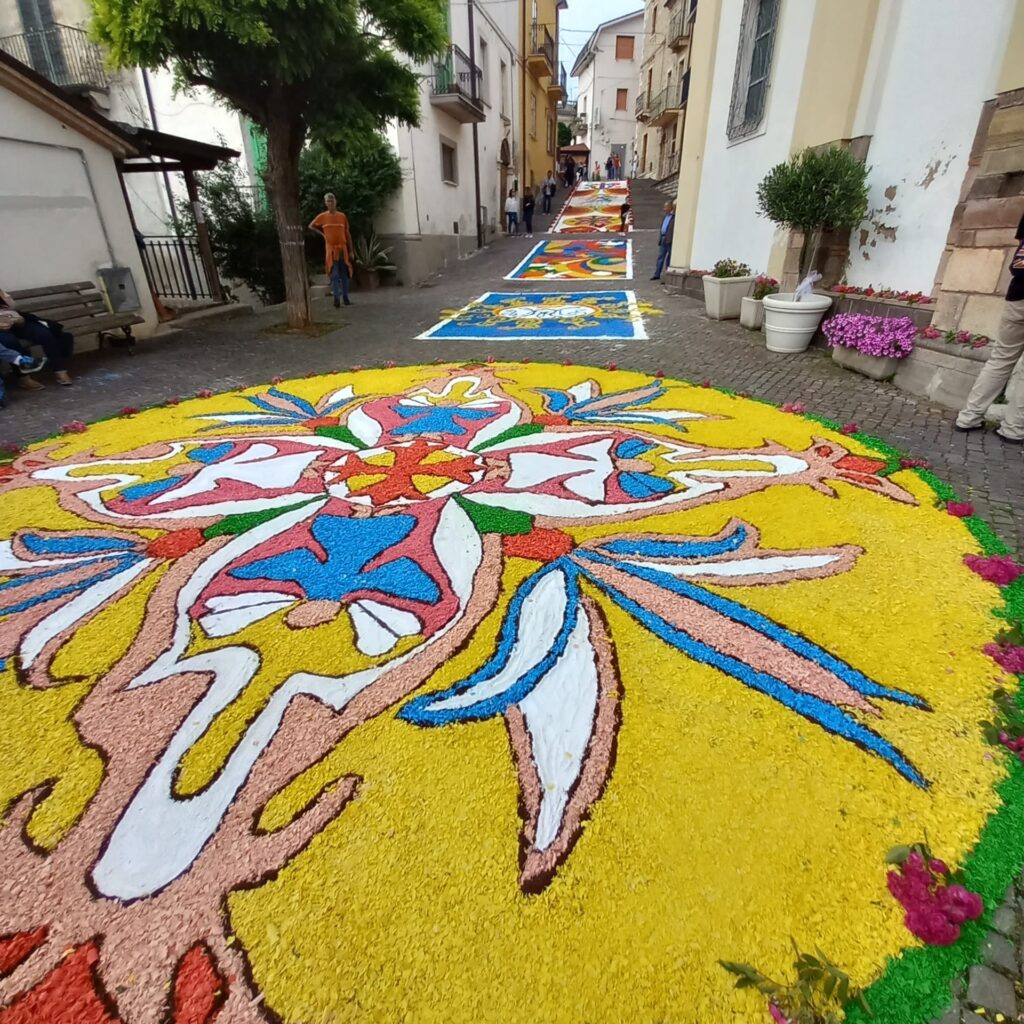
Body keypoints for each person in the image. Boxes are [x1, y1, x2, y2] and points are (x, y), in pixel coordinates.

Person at [955, 213, 1024, 444]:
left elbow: (1019, 262)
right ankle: (1013, 429)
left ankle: (969, 416)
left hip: (1018, 297)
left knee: (1001, 358)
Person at [0, 288, 73, 387]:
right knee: (10, 342)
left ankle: (60, 370)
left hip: (14, 321)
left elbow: (13, 307)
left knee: (44, 334)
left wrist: (14, 317)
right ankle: (23, 378)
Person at [308, 193, 354, 308]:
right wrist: (323, 234)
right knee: (334, 274)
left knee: (344, 274)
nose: (330, 203)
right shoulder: (322, 216)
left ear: (335, 202)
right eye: (328, 201)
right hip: (331, 250)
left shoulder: (342, 216)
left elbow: (347, 233)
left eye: (332, 201)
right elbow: (311, 226)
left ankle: (346, 298)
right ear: (325, 203)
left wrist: (351, 250)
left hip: (342, 249)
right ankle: (336, 300)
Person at [651, 201, 676, 280]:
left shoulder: (674, 217)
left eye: (666, 207)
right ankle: (657, 274)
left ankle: (667, 275)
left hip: (669, 239)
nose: (664, 209)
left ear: (670, 207)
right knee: (660, 257)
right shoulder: (666, 216)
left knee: (669, 258)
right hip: (663, 238)